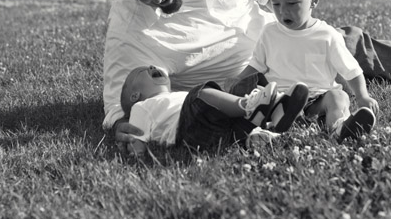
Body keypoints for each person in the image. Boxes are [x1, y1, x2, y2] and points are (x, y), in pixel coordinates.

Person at [103, 0, 389, 142]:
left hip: (277, 44)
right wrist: (121, 124)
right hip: (235, 90)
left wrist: (309, 36)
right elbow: (118, 96)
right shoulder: (129, 23)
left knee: (344, 40)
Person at [233, 0, 377, 141]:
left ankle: (339, 127)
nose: (283, 10)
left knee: (339, 97)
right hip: (281, 100)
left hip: (318, 99)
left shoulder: (327, 35)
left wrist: (363, 96)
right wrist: (236, 81)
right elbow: (255, 66)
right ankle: (269, 133)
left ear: (313, 0)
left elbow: (352, 71)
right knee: (263, 100)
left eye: (292, 3)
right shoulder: (269, 33)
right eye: (276, 4)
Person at [114, 65, 309, 157]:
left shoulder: (176, 95)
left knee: (244, 84)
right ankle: (250, 106)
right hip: (189, 131)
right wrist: (137, 151)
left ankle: (263, 126)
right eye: (143, 70)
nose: (151, 66)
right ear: (134, 95)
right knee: (200, 94)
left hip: (219, 132)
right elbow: (135, 134)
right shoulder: (141, 107)